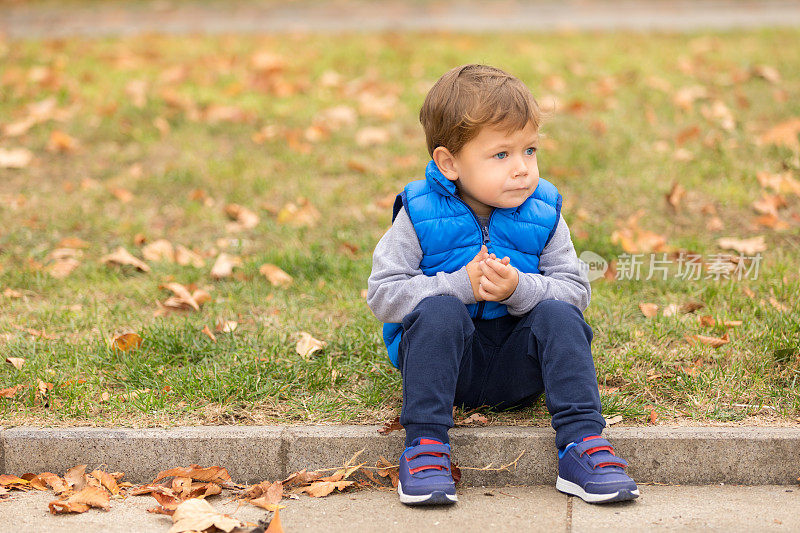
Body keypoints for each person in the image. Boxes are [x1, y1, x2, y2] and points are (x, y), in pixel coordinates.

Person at [366, 64, 638, 506]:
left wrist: (520, 290)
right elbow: (383, 295)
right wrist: (458, 286)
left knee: (558, 313)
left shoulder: (543, 210)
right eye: (501, 155)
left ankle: (582, 444)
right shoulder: (417, 212)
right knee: (440, 310)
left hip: (519, 366)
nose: (522, 169)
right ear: (449, 163)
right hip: (447, 370)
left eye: (529, 150)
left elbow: (575, 289)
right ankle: (425, 448)